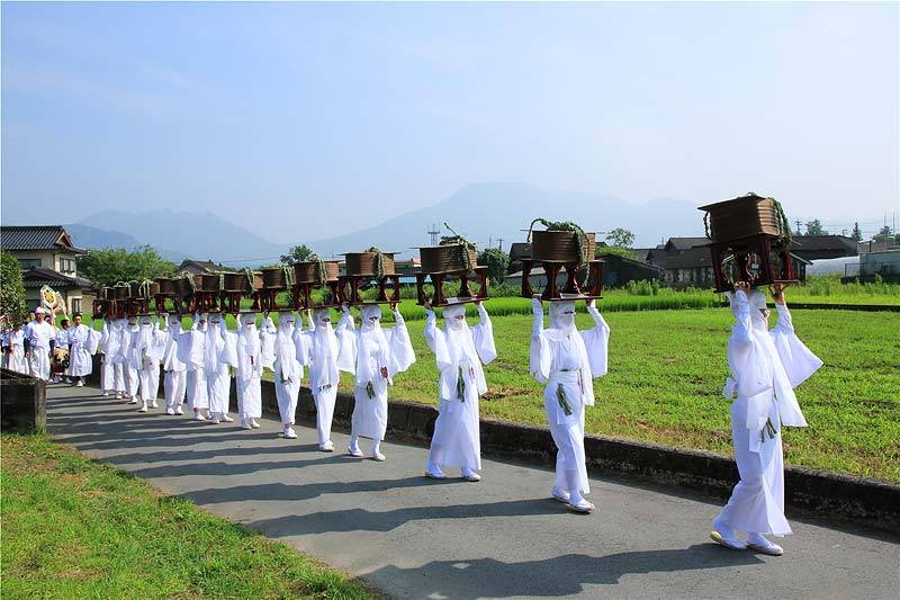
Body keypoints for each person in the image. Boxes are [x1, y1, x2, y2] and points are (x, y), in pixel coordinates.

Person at [711, 282, 822, 557]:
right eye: (761, 309)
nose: (766, 313)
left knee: (770, 474)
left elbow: (787, 332)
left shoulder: (768, 340)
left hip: (769, 412)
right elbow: (744, 338)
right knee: (754, 477)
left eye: (766, 309)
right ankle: (724, 523)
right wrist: (740, 299)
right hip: (749, 411)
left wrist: (781, 302)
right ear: (749, 311)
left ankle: (755, 531)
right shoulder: (741, 341)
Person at [530, 298, 610, 514]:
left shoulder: (577, 337)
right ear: (556, 314)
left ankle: (560, 487)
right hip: (559, 392)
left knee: (572, 443)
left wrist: (592, 309)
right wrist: (537, 312)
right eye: (566, 313)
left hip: (577, 392)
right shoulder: (549, 337)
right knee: (572, 444)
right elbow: (537, 340)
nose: (571, 316)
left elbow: (603, 330)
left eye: (573, 313)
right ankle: (575, 494)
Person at [422, 301, 497, 482]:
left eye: (463, 316)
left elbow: (485, 327)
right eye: (457, 317)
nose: (461, 320)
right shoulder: (444, 336)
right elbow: (430, 335)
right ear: (449, 318)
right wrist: (430, 315)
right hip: (452, 384)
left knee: (469, 423)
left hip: (469, 383)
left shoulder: (468, 333)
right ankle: (433, 464)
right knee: (447, 423)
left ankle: (467, 466)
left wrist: (480, 307)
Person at [337, 304, 415, 461]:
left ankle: (376, 447)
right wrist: (345, 314)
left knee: (380, 412)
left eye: (376, 318)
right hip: (364, 380)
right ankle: (353, 443)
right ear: (364, 317)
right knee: (360, 412)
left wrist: (396, 313)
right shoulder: (357, 336)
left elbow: (400, 333)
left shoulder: (383, 335)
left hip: (380, 380)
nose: (374, 321)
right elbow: (340, 333)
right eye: (371, 318)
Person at [297, 308, 341, 452]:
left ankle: (326, 437)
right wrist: (300, 319)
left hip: (332, 379)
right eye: (323, 320)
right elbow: (298, 338)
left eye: (328, 320)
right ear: (317, 321)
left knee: (329, 410)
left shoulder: (332, 336)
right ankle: (323, 440)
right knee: (322, 410)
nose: (326, 323)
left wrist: (346, 314)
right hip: (320, 379)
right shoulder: (310, 337)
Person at [273, 310, 303, 439]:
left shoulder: (294, 335)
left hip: (294, 371)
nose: (290, 324)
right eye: (287, 322)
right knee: (286, 399)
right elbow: (276, 353)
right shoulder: (278, 337)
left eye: (292, 321)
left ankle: (289, 424)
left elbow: (300, 328)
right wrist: (284, 374)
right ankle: (287, 426)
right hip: (282, 372)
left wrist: (301, 315)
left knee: (293, 399)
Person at [178, 313, 211, 421]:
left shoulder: (208, 333)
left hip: (205, 365)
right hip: (195, 366)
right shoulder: (193, 334)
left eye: (204, 322)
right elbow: (193, 332)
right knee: (196, 388)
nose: (203, 324)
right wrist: (196, 319)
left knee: (205, 388)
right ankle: (197, 412)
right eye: (201, 322)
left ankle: (207, 410)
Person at [205, 312, 237, 424]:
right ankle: (214, 414)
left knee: (224, 389)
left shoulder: (224, 335)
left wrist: (224, 319)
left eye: (217, 322)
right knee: (214, 390)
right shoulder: (206, 336)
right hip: (212, 367)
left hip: (223, 367)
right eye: (213, 322)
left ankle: (224, 413)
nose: (215, 324)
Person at [236, 312, 263, 430]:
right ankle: (244, 419)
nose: (250, 325)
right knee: (244, 395)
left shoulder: (255, 335)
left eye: (252, 322)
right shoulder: (240, 336)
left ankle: (252, 417)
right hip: (244, 370)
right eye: (248, 323)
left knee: (254, 394)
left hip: (254, 370)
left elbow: (258, 353)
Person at [136, 315, 167, 412]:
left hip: (154, 362)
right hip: (143, 362)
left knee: (154, 381)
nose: (146, 325)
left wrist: (159, 320)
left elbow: (164, 335)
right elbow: (137, 348)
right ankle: (144, 403)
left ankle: (153, 400)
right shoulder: (139, 334)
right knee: (144, 382)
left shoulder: (155, 333)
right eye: (144, 323)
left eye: (147, 323)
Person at [161, 313, 187, 415]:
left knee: (182, 386)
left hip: (182, 363)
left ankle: (178, 405)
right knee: (171, 385)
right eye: (173, 323)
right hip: (171, 362)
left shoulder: (183, 332)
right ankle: (169, 405)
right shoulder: (166, 333)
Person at [66, 313, 98, 387]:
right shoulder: (70, 330)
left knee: (84, 364)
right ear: (73, 320)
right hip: (75, 348)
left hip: (84, 347)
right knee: (76, 364)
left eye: (79, 319)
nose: (77, 321)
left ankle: (83, 377)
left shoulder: (85, 328)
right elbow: (69, 341)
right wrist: (69, 351)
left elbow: (91, 335)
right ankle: (78, 379)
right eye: (76, 320)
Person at [25, 307, 54, 381]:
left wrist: (52, 350)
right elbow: (27, 338)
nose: (39, 316)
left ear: (44, 315)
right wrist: (27, 350)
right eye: (38, 314)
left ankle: (44, 380)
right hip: (34, 349)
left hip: (45, 349)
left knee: (45, 365)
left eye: (41, 314)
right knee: (34, 366)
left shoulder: (47, 326)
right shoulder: (30, 325)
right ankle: (37, 380)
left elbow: (51, 339)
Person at [51, 317, 71, 384]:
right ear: (65, 325)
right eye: (68, 323)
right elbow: (57, 343)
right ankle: (57, 377)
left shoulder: (71, 332)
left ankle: (67, 377)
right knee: (59, 363)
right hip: (61, 350)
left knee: (67, 364)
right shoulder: (60, 333)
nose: (70, 324)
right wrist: (59, 350)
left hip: (69, 350)